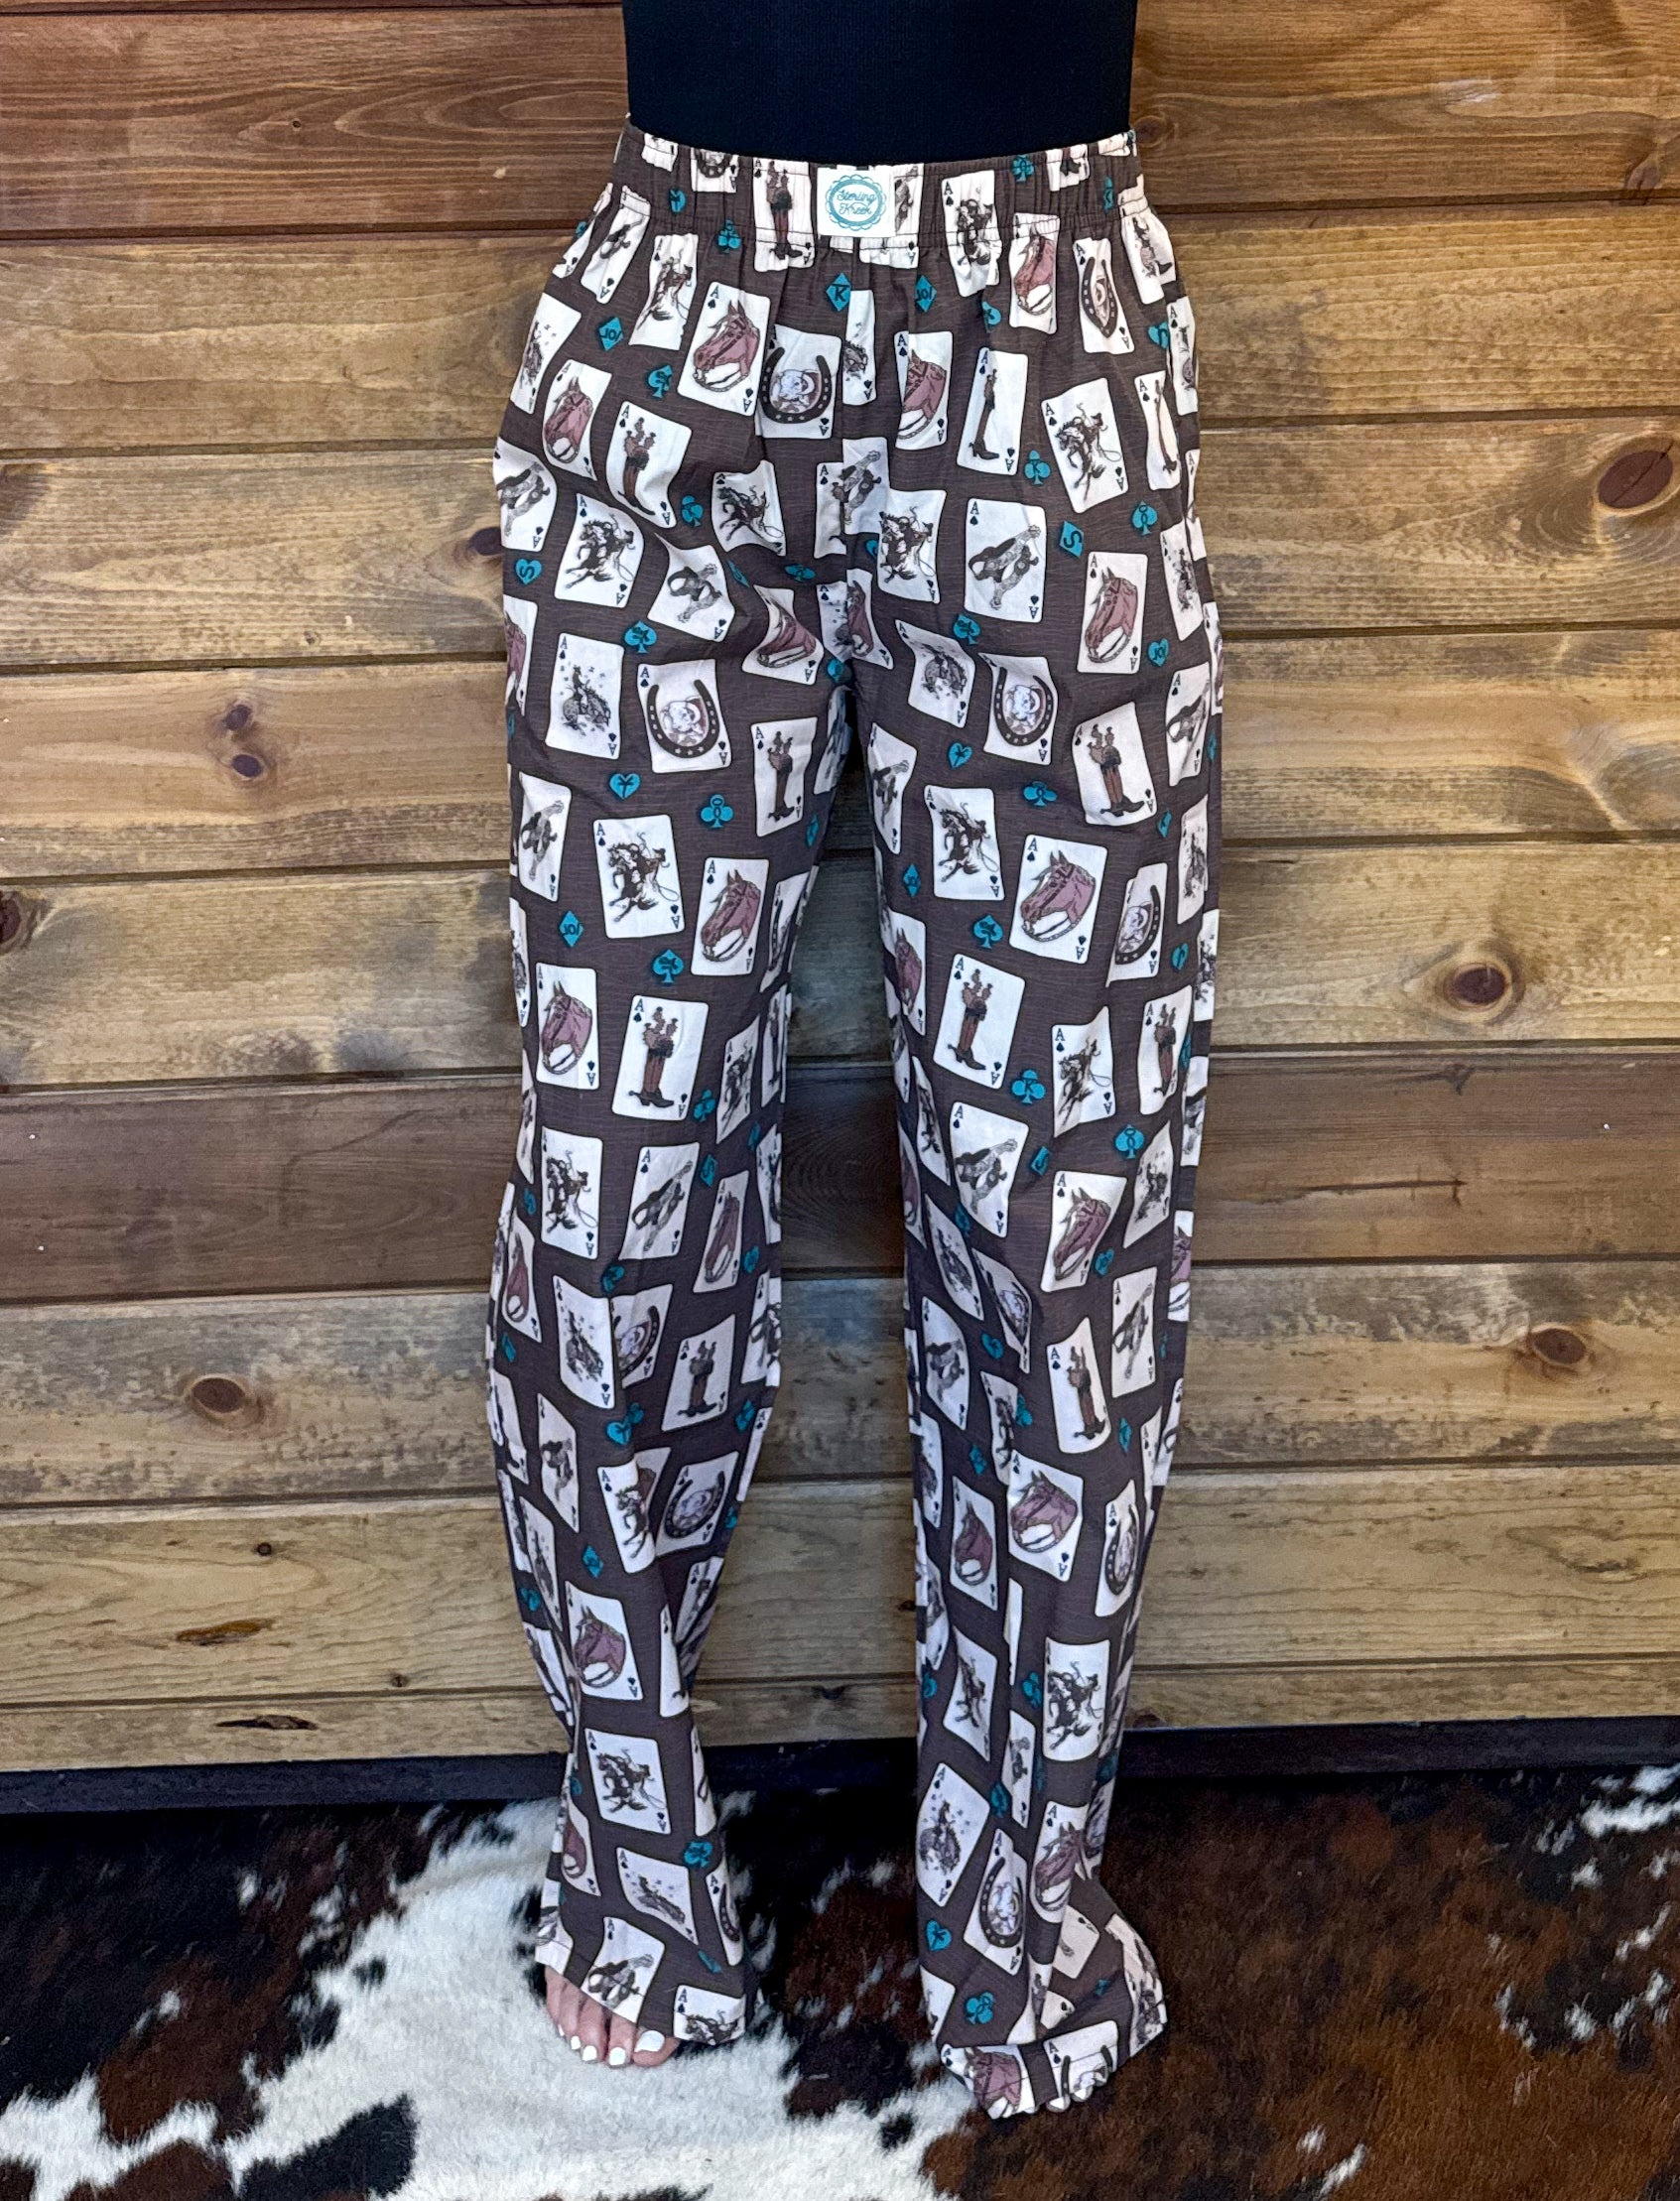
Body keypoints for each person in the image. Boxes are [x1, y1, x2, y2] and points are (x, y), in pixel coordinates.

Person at [484, 0, 1225, 2117]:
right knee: (618, 1168)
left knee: (1059, 1185)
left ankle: (1019, 1918)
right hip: (675, 313)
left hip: (1044, 320)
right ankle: (636, 1862)